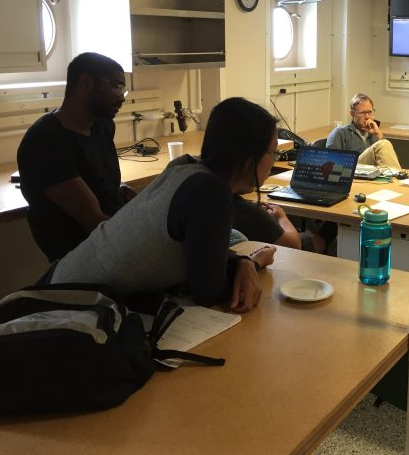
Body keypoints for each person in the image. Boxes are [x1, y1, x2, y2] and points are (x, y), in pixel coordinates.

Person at [48, 97, 278, 312]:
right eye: (273, 152)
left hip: (63, 284)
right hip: (72, 310)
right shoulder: (209, 193)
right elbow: (208, 292)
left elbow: (202, 254)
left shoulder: (186, 167)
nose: (274, 160)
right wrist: (253, 262)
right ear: (249, 158)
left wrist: (241, 262)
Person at [17, 52, 136, 262]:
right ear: (87, 82)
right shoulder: (45, 141)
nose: (121, 97)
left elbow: (95, 175)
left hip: (110, 240)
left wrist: (120, 188)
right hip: (82, 257)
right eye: (116, 86)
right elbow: (93, 222)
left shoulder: (102, 125)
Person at [325, 93, 402, 171]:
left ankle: (395, 179)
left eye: (370, 112)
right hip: (351, 170)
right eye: (362, 113)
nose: (367, 117)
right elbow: (330, 163)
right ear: (352, 114)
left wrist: (378, 134)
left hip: (373, 174)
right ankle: (397, 179)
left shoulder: (374, 134)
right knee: (383, 144)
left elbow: (392, 161)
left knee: (384, 143)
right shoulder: (340, 133)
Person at [232, 195, 326, 253]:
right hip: (280, 255)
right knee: (313, 239)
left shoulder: (224, 200)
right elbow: (294, 245)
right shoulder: (249, 211)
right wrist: (281, 216)